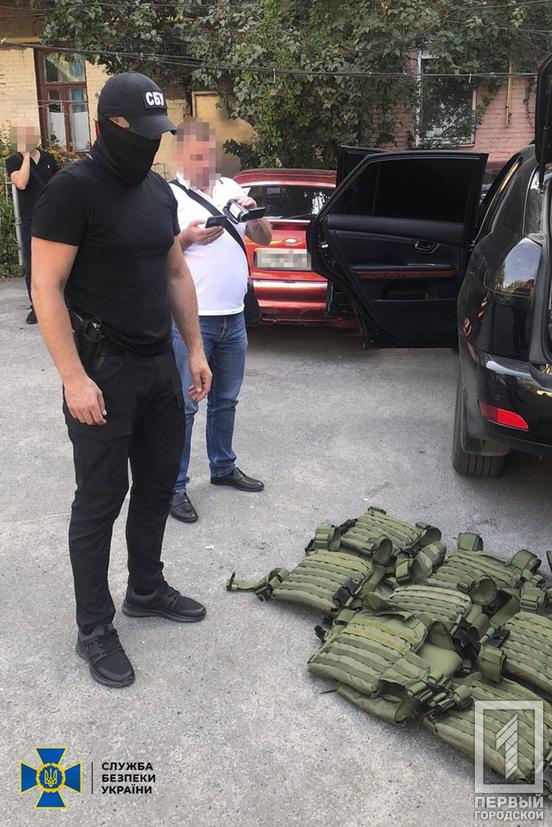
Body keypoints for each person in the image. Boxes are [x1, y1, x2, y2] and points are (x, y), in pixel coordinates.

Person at [31, 73, 212, 688]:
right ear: (110, 125)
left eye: (160, 132)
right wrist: (73, 378)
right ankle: (94, 629)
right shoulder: (72, 191)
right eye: (143, 132)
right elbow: (45, 286)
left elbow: (174, 274)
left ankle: (146, 588)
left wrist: (193, 350)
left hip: (158, 365)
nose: (152, 143)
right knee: (100, 501)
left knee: (157, 487)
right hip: (102, 372)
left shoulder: (158, 192)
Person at [168, 119, 272, 524]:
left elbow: (263, 237)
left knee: (226, 399)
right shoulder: (170, 196)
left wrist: (253, 212)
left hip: (234, 316)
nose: (205, 162)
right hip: (191, 321)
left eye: (209, 154)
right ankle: (174, 486)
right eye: (197, 155)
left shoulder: (231, 188)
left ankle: (223, 466)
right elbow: (156, 253)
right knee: (185, 406)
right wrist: (187, 239)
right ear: (180, 155)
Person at [6, 123, 59, 324]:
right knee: (32, 264)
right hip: (31, 218)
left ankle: (61, 301)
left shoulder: (48, 158)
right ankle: (37, 307)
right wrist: (26, 157)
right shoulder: (13, 161)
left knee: (57, 260)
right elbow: (21, 183)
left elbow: (59, 184)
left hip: (52, 217)